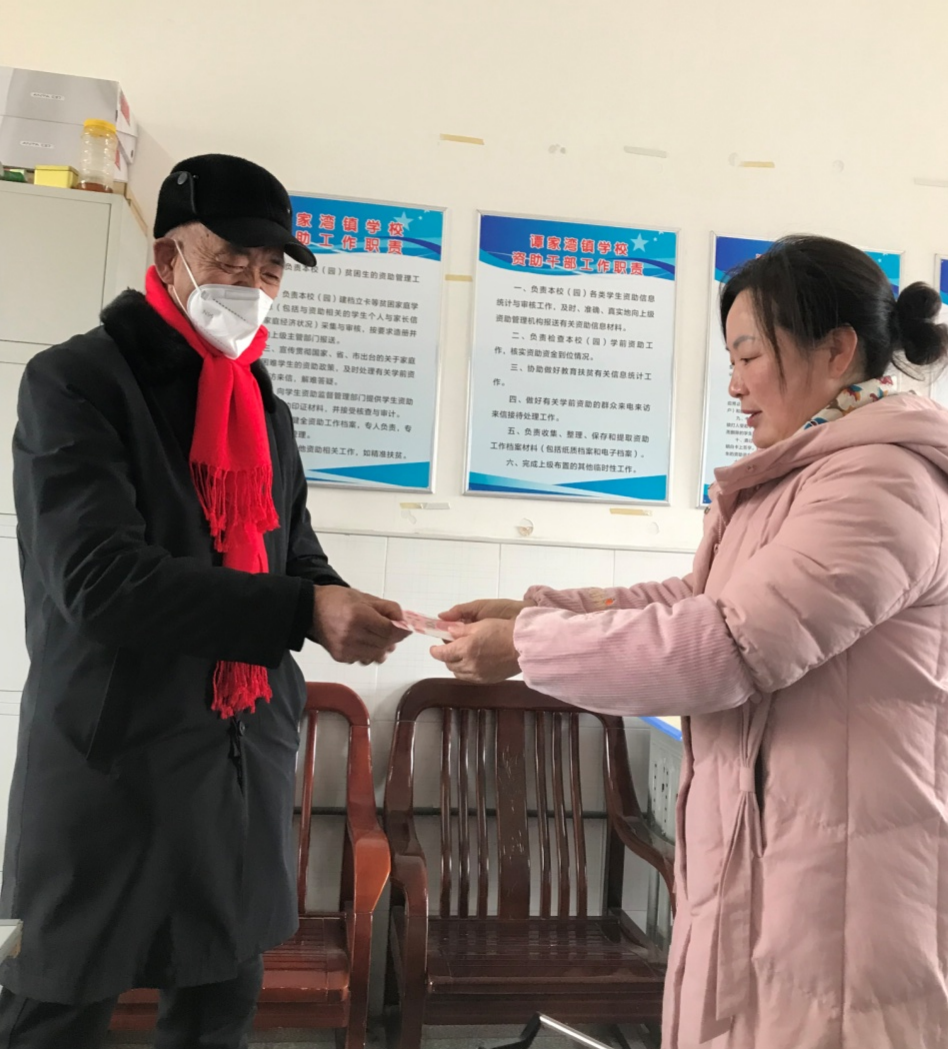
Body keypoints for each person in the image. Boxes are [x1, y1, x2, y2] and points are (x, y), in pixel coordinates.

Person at [432, 235, 948, 1049]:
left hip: (842, 897)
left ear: (837, 349)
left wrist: (527, 646)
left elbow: (724, 647)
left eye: (750, 355)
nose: (734, 384)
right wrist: (538, 607)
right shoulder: (807, 474)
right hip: (780, 865)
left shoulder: (883, 484)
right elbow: (698, 599)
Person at [0, 154, 408, 1049]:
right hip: (112, 765)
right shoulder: (78, 382)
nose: (253, 287)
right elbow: (98, 579)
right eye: (231, 260)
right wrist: (301, 612)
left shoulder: (261, 403)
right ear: (169, 255)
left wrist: (339, 597)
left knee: (216, 1016)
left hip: (239, 764)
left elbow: (291, 550)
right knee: (54, 1013)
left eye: (270, 271)